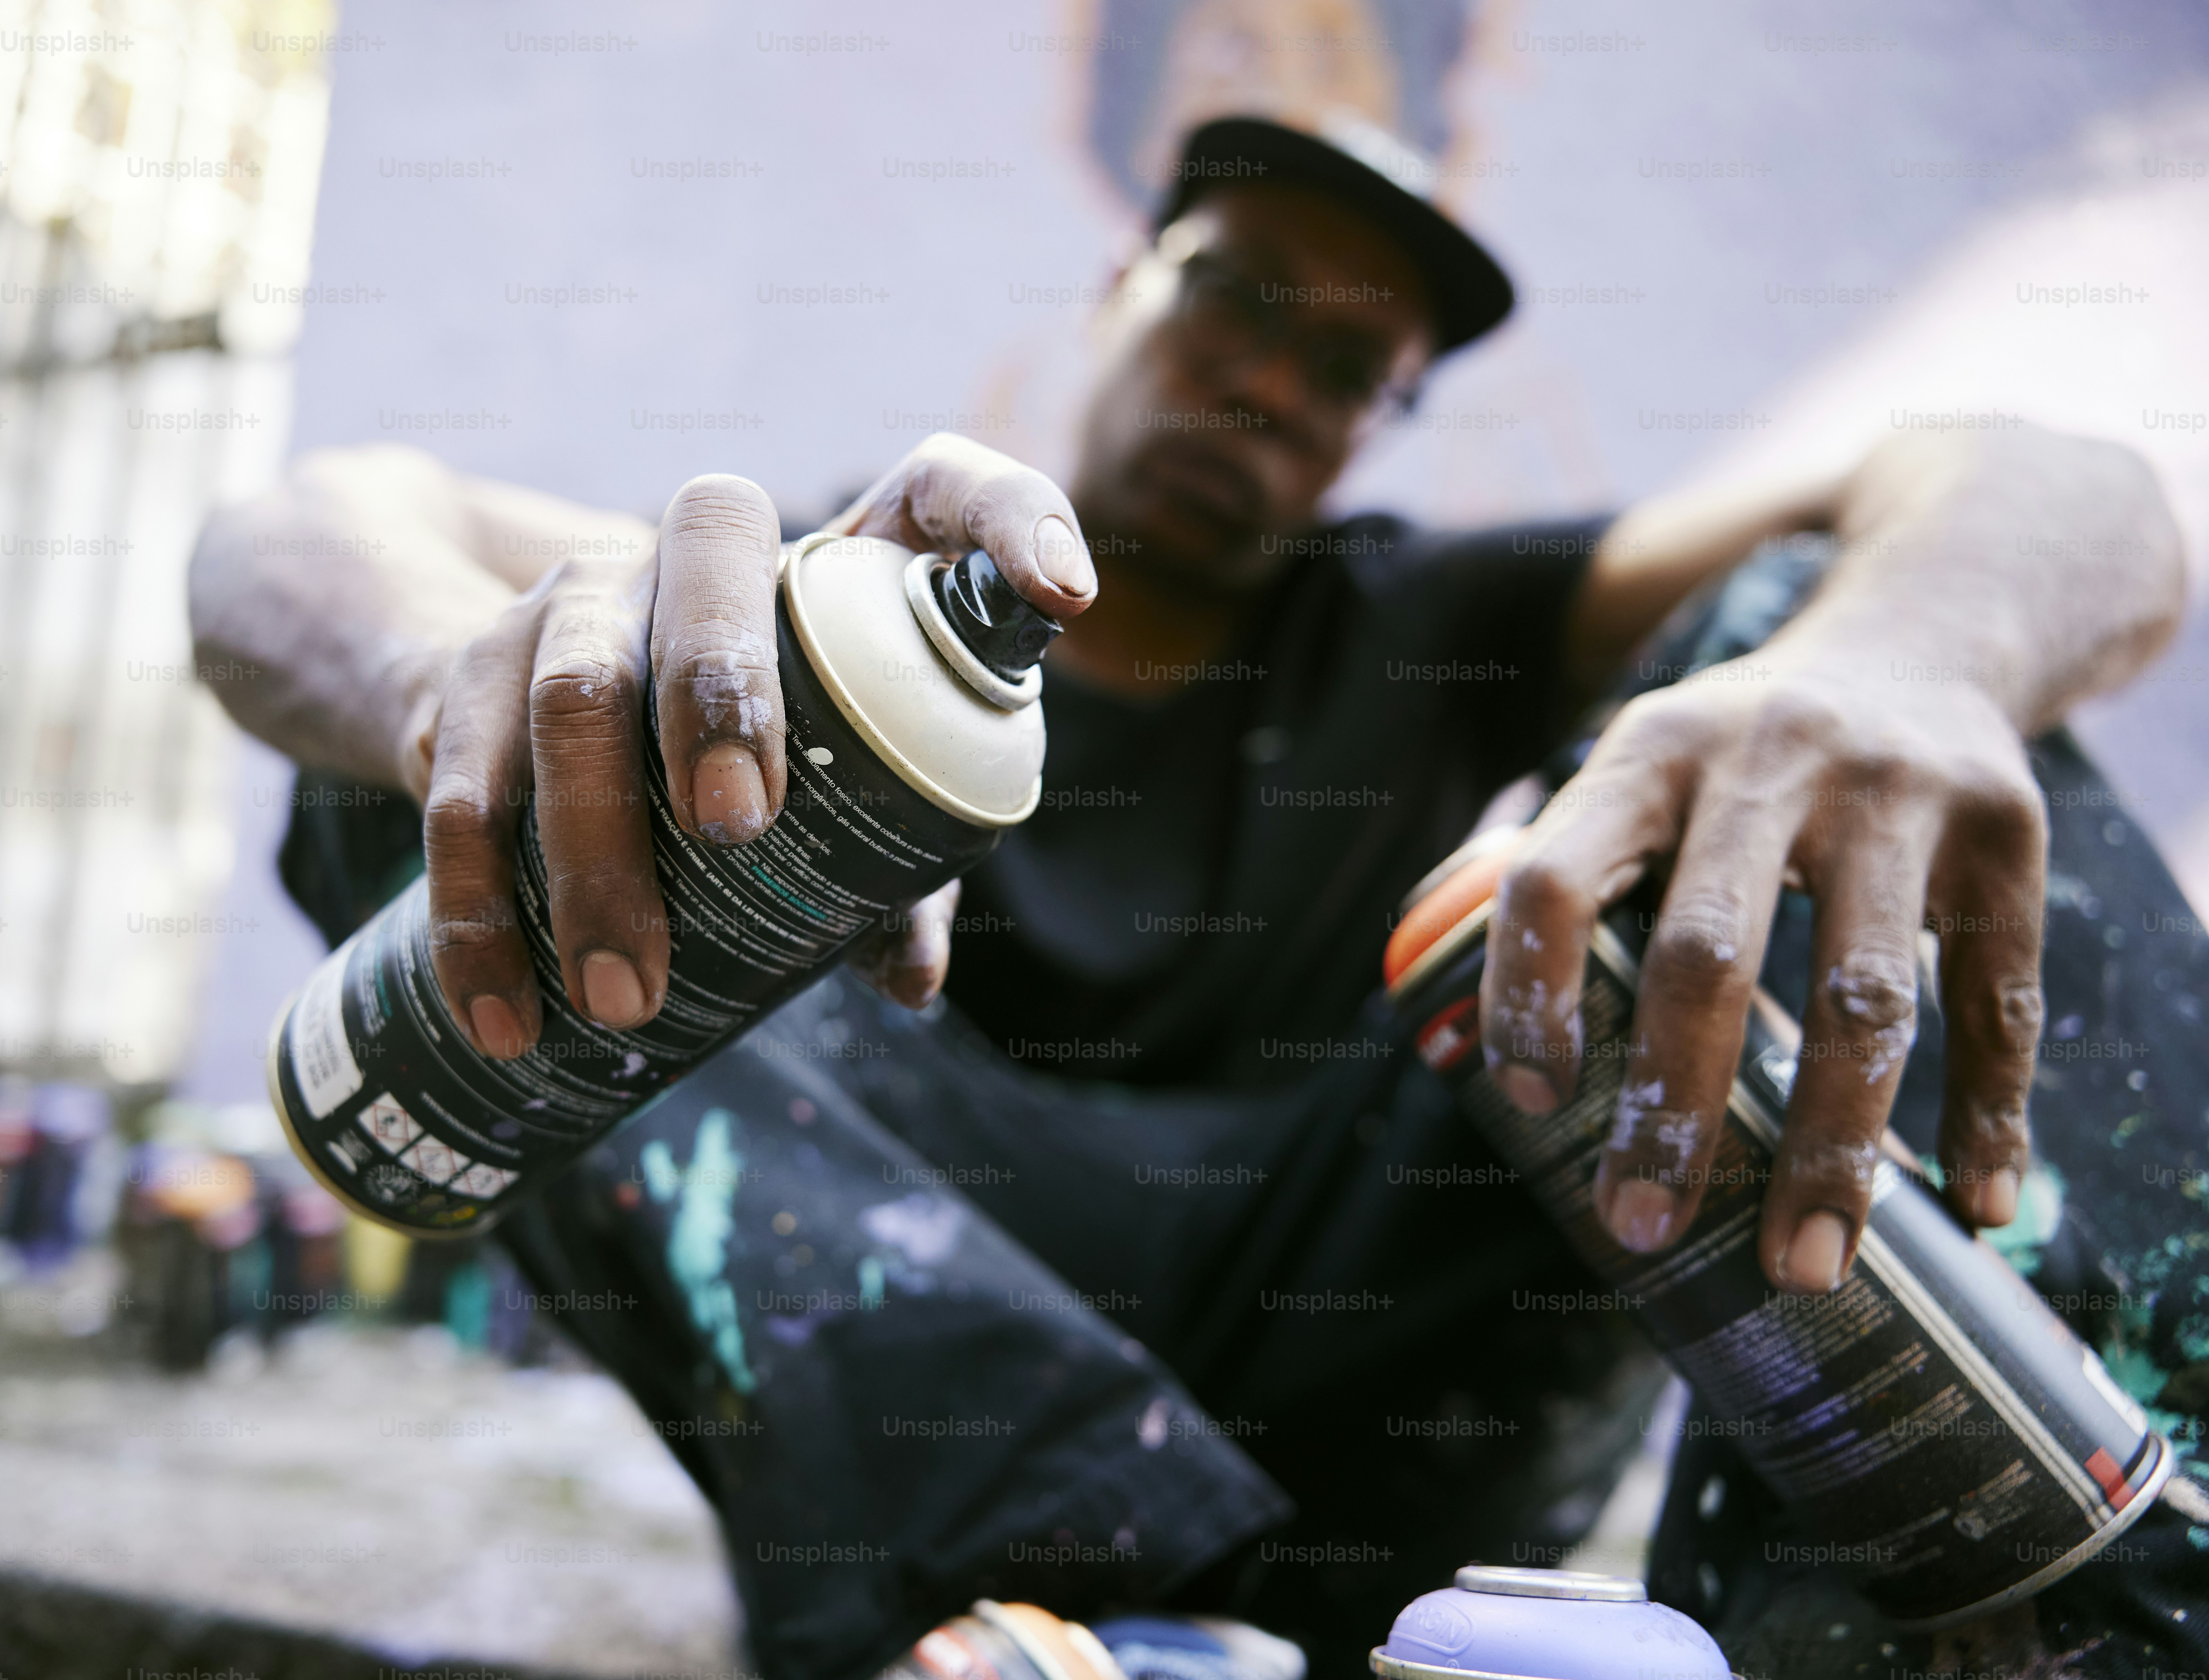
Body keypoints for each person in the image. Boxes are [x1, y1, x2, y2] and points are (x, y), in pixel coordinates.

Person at [190, 114, 2204, 1680]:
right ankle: (1066, 1604)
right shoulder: (819, 616)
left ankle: (2050, 1601)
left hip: (1383, 1387)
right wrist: (433, 665)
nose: (1274, 379)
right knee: (516, 713)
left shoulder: (1431, 621)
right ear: (1118, 297)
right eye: (1238, 294)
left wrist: (1899, 655)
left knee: (1822, 691)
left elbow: (2050, 490)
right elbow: (315, 532)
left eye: (1353, 365)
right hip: (919, 1396)